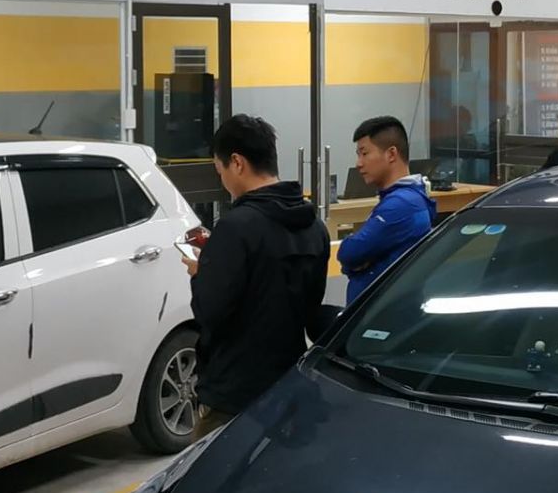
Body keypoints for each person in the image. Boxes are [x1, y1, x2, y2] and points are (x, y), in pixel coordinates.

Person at [186, 115, 328, 438]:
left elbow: (209, 311)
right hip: (287, 384)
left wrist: (201, 273)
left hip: (234, 393)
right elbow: (311, 304)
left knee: (212, 469)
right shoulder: (314, 226)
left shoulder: (236, 228)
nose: (222, 179)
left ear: (237, 163)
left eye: (220, 169)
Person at [338, 116, 436, 304]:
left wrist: (356, 262)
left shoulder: (401, 204)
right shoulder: (405, 198)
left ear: (391, 154)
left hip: (382, 310)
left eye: (364, 153)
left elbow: (349, 252)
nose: (359, 163)